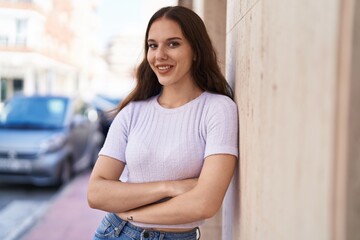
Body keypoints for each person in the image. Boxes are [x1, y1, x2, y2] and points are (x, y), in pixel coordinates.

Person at [87, 5, 238, 240]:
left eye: (173, 43)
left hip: (137, 225)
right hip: (115, 233)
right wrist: (169, 187)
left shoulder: (217, 109)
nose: (159, 55)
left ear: (196, 50)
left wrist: (131, 215)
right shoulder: (132, 113)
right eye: (153, 45)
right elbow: (96, 193)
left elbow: (205, 204)